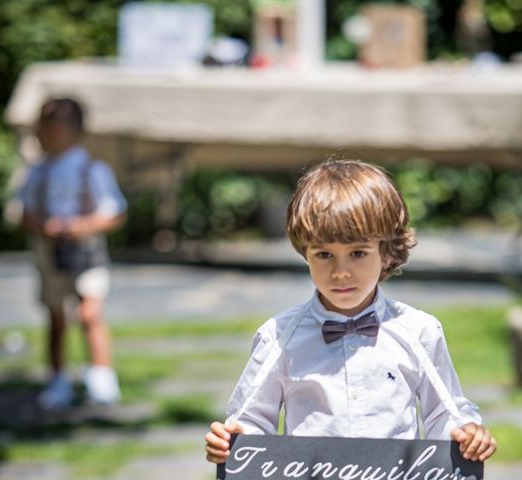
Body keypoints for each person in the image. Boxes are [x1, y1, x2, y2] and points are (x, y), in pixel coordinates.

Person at [205, 159, 497, 463]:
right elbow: (252, 420)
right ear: (304, 252)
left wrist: (466, 434)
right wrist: (231, 441)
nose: (340, 271)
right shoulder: (278, 337)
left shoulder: (419, 331)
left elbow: (444, 413)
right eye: (324, 254)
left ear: (386, 251)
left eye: (358, 253)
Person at [17, 98, 127, 409]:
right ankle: (57, 380)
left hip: (86, 252)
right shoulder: (37, 171)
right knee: (56, 316)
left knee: (90, 312)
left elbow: (115, 211)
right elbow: (23, 211)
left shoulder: (92, 168)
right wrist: (44, 225)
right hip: (50, 253)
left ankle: (102, 377)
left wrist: (83, 225)